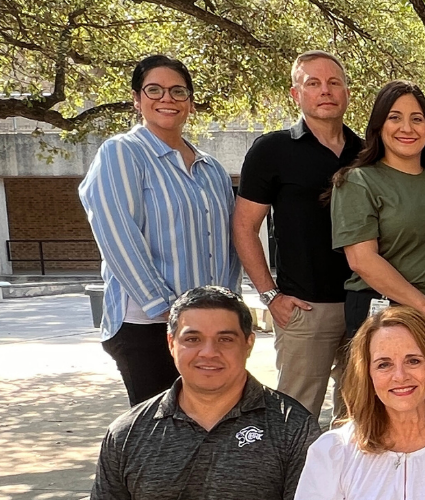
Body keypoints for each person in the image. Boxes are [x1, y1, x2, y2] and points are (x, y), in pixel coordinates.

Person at [80, 55, 242, 406]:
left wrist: (226, 307)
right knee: (159, 439)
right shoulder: (122, 154)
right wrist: (169, 309)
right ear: (137, 99)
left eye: (178, 91)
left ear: (191, 102)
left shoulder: (210, 168)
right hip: (149, 326)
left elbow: (229, 244)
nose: (167, 99)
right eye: (154, 90)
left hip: (207, 328)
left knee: (212, 427)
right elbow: (117, 237)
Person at [92, 286, 319, 500]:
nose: (209, 352)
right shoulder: (126, 434)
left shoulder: (294, 428)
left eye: (225, 339)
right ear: (171, 343)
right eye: (193, 339)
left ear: (248, 343)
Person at [234, 50, 362, 421]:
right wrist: (270, 294)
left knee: (357, 416)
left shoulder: (367, 152)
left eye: (334, 82)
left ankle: (346, 482)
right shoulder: (272, 150)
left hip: (363, 304)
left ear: (347, 92)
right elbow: (244, 226)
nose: (325, 91)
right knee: (295, 416)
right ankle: (291, 482)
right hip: (305, 309)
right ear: (296, 94)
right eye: (313, 83)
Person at [296, 306, 425, 499]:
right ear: (367, 375)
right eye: (384, 364)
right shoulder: (333, 451)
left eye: (413, 361)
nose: (400, 376)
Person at [329, 80, 425, 355]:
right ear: (379, 126)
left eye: (416, 119)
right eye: (395, 117)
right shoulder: (358, 181)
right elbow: (362, 260)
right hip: (384, 314)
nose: (407, 128)